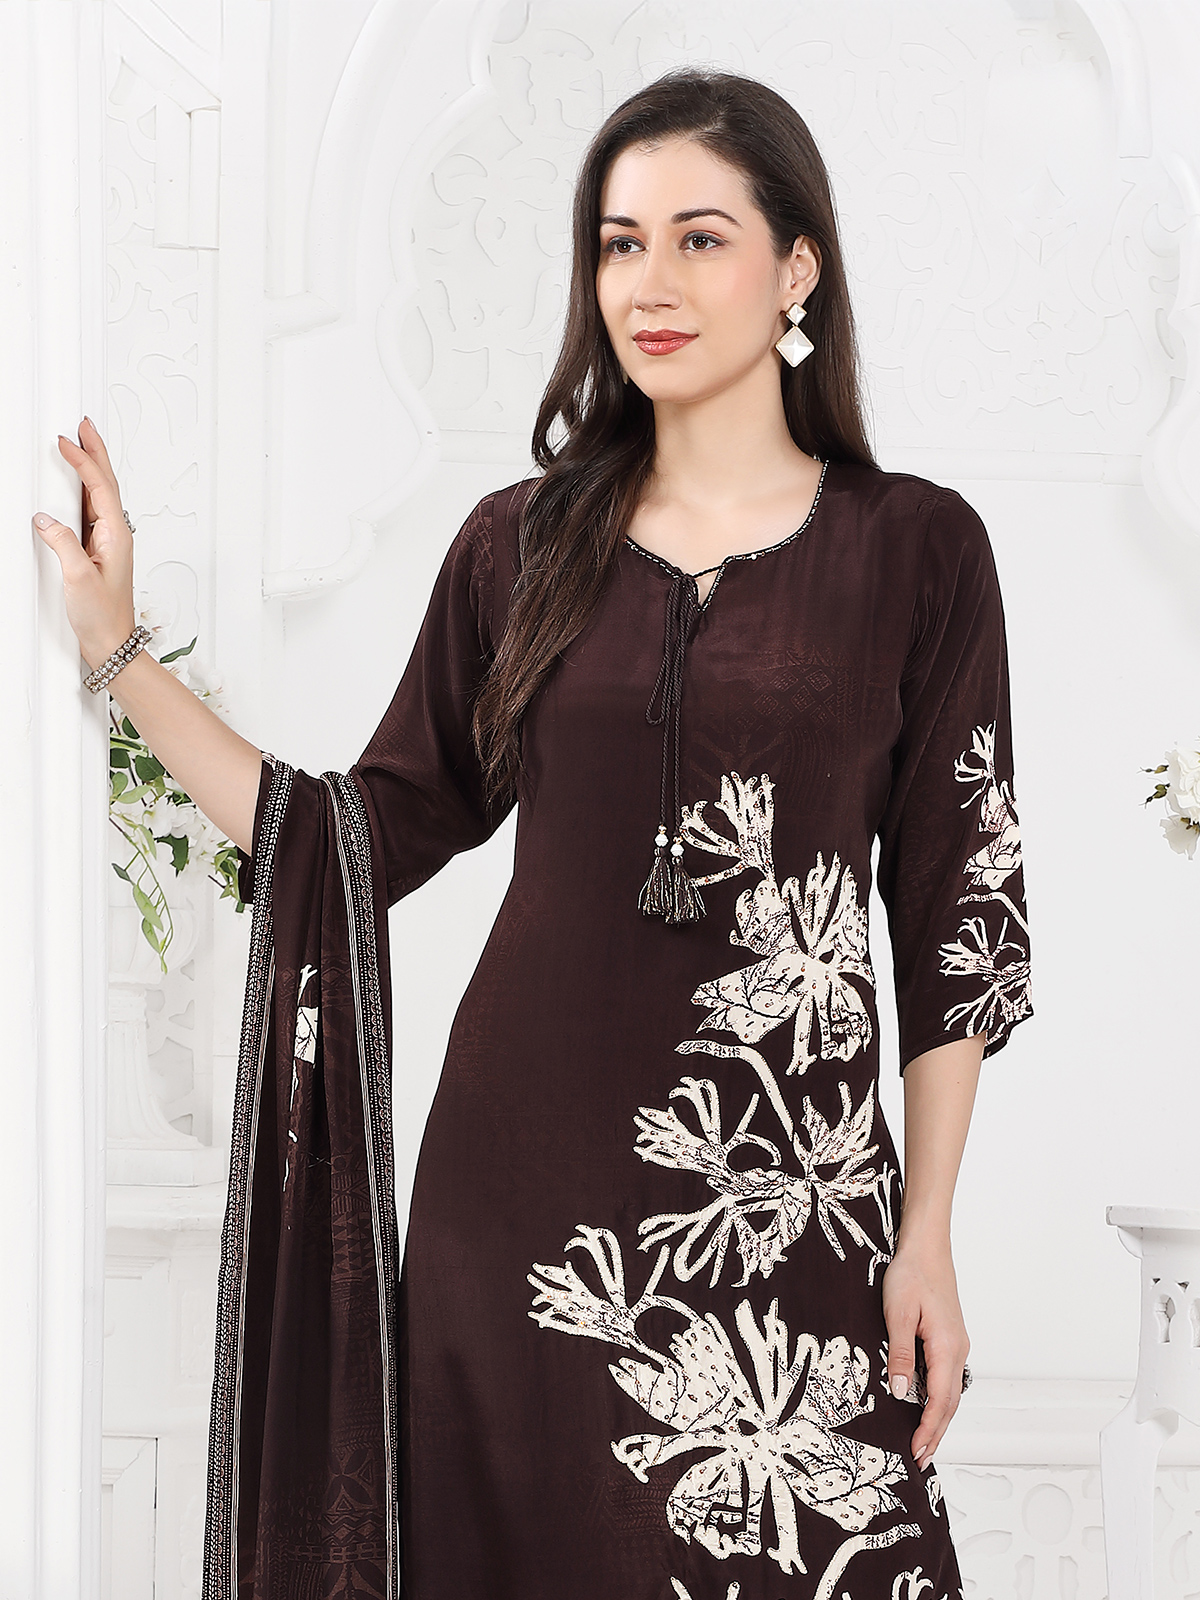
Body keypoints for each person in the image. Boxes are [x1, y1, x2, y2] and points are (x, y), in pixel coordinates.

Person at [36, 67, 1033, 1600]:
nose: (650, 283)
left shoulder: (918, 551)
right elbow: (357, 833)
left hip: (794, 1208)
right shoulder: (522, 546)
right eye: (620, 244)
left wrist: (930, 1234)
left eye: (699, 239)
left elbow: (955, 920)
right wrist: (119, 654)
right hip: (522, 1219)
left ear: (798, 267)